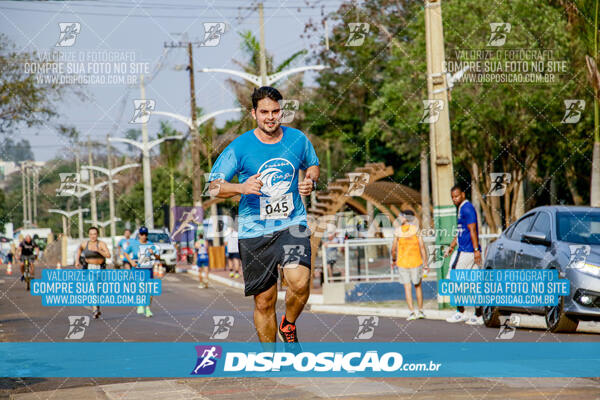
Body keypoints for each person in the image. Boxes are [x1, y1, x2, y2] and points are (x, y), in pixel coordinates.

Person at [208, 86, 319, 344]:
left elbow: (312, 165)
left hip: (292, 224)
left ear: (282, 112)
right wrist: (240, 187)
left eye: (276, 111)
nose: (271, 117)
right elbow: (213, 186)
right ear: (254, 114)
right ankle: (269, 360)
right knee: (265, 300)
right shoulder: (240, 146)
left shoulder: (297, 139)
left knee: (300, 281)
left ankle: (288, 325)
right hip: (255, 230)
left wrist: (311, 180)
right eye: (265, 112)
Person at [444, 184, 483, 325]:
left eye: (457, 196)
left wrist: (476, 250)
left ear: (463, 195)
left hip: (467, 251)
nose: (454, 199)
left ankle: (461, 312)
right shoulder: (461, 209)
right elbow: (461, 232)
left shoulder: (467, 208)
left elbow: (472, 230)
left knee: (454, 278)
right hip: (466, 250)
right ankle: (479, 315)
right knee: (474, 283)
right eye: (452, 197)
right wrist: (451, 246)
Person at [391, 210, 429, 320]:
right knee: (418, 286)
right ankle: (421, 311)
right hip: (416, 262)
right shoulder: (416, 230)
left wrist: (393, 259)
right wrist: (425, 262)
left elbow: (393, 249)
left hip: (402, 263)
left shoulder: (398, 231)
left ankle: (412, 312)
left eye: (401, 216)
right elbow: (422, 247)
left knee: (407, 288)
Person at [75, 227, 111, 319]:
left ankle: (97, 307)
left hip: (100, 268)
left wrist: (98, 250)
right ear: (88, 235)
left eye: (94, 234)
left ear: (97, 235)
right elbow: (79, 250)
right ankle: (94, 309)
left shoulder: (101, 244)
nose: (93, 236)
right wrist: (77, 261)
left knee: (98, 290)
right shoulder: (84, 244)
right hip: (89, 268)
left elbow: (108, 255)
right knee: (92, 288)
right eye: (91, 234)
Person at [123, 226, 158, 317]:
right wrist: (131, 261)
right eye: (142, 234)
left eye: (145, 234)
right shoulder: (134, 244)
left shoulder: (150, 244)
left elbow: (158, 256)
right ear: (139, 235)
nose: (143, 236)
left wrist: (153, 252)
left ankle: (148, 308)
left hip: (148, 269)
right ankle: (140, 304)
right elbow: (125, 252)